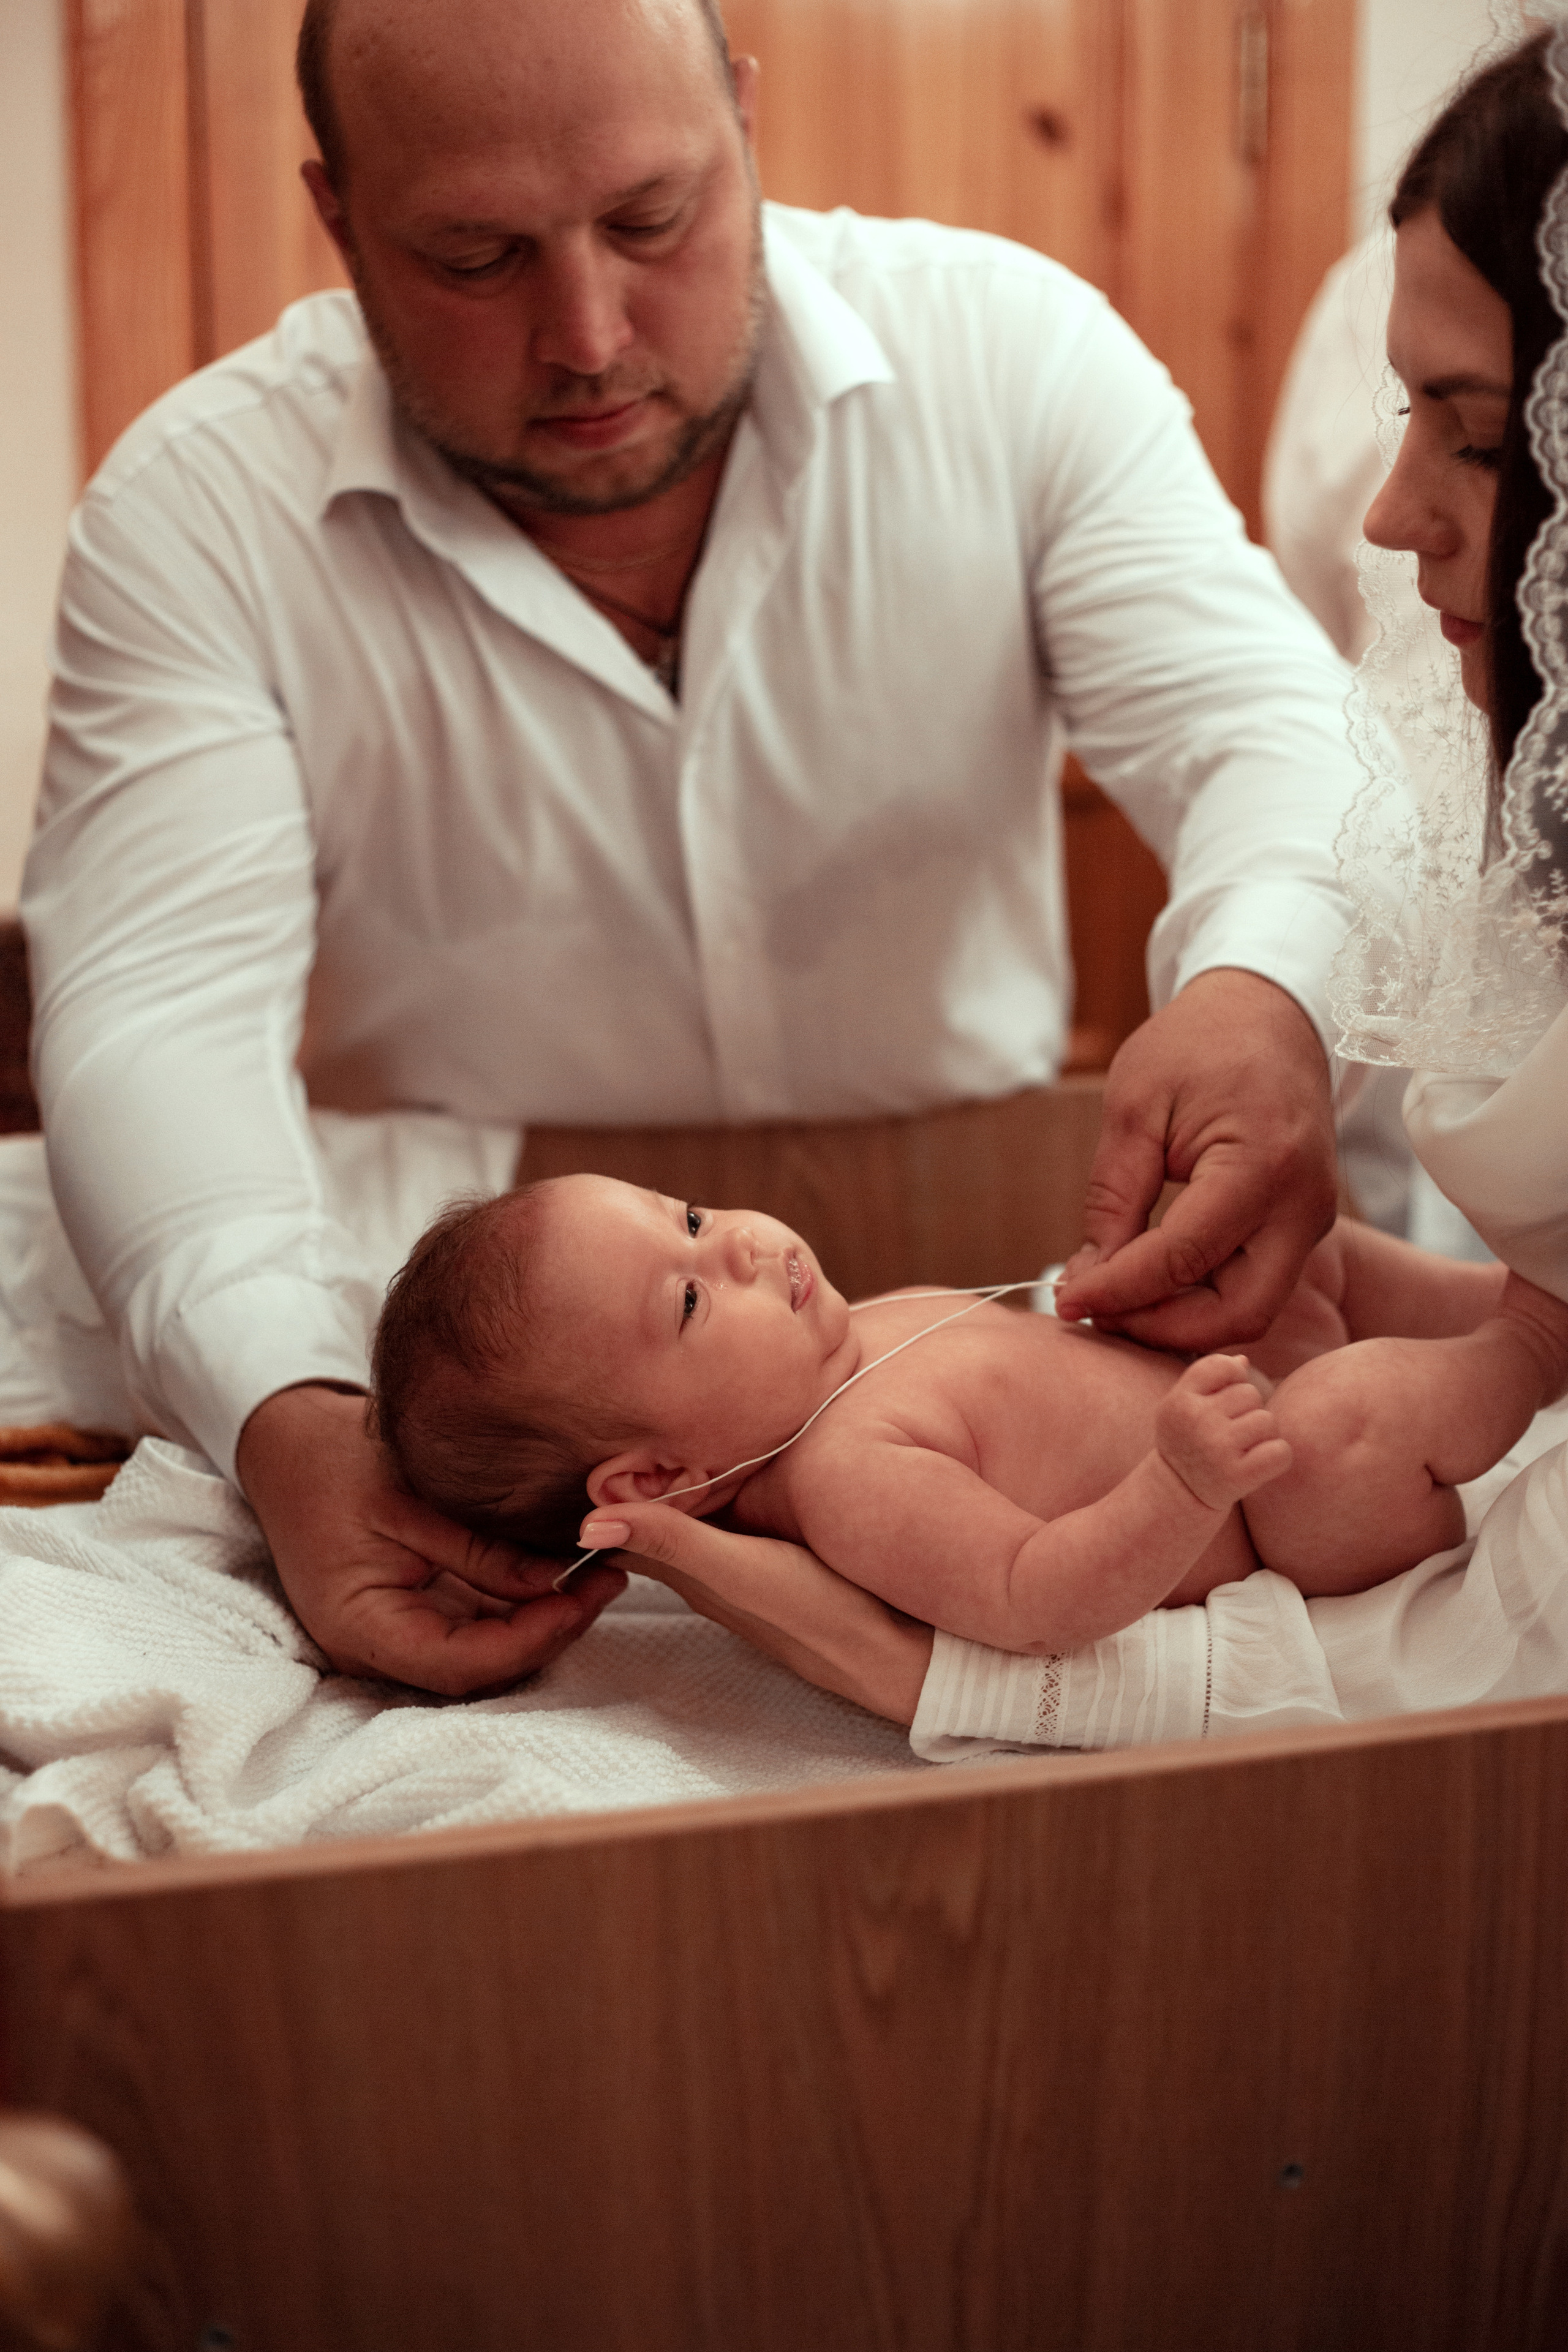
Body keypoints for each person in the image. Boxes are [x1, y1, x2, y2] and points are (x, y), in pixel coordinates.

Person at [23, 0, 1365, 1696]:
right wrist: (287, 1417)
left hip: (992, 1236)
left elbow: (1274, 730)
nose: (586, 335)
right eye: (473, 255)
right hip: (471, 1371)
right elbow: (152, 1011)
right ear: (340, 213)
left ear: (743, 126)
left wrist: (1265, 987)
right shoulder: (200, 507)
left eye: (651, 222)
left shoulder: (1015, 357)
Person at [589, 21, 1568, 1753]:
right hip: (1299, 1448)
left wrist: (953, 1671)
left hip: (1364, 1520)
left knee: (1378, 1418)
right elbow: (1035, 1572)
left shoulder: (1003, 347)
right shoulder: (833, 1436)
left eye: (1478, 439)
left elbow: (1256, 727)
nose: (1395, 512)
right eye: (1411, 418)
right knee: (1375, 1362)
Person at [370, 1174, 1568, 1656]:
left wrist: (1111, 1296)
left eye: (685, 1216)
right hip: (1283, 1517)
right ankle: (1530, 1338)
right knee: (1331, 1433)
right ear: (650, 1480)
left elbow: (1038, 1375)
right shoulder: (847, 1474)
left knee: (1280, 1253)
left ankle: (1478, 1312)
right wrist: (1181, 1483)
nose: (734, 1243)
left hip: (1226, 1396)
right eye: (687, 1297)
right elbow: (1032, 1595)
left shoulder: (842, 1342)